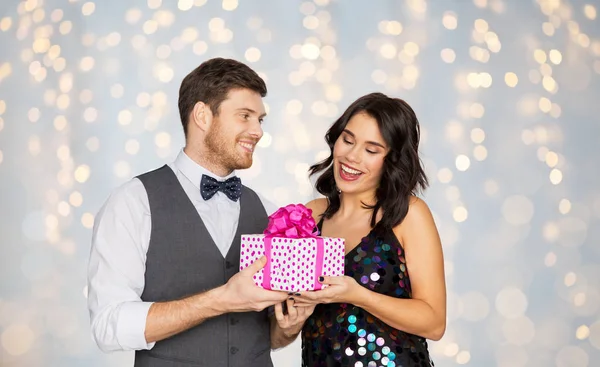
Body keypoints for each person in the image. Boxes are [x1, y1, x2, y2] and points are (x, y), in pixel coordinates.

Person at [87, 57, 290, 367]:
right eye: (245, 116)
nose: (257, 131)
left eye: (260, 119)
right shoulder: (134, 202)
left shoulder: (270, 212)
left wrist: (289, 326)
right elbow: (108, 326)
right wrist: (219, 300)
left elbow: (269, 337)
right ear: (202, 116)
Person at [272, 92, 447, 366]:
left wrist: (357, 295)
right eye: (348, 140)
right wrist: (291, 324)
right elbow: (279, 334)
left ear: (392, 159)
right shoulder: (310, 215)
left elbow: (434, 322)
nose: (351, 156)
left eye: (371, 150)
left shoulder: (408, 214)